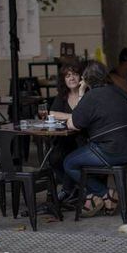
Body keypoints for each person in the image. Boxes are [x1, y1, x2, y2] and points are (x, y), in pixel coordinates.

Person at [65, 60, 127, 217]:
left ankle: (105, 193)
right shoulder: (119, 91)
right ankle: (96, 197)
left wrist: (82, 92)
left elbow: (74, 124)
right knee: (84, 154)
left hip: (108, 151)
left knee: (69, 163)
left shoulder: (91, 97)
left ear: (86, 79)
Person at [49, 59, 86, 202]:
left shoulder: (87, 93)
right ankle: (73, 188)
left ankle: (67, 190)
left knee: (70, 157)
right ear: (63, 79)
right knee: (54, 158)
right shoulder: (63, 96)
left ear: (81, 77)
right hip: (66, 139)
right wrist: (72, 116)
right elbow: (52, 113)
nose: (71, 78)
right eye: (67, 75)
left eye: (75, 74)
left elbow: (85, 118)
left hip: (83, 139)